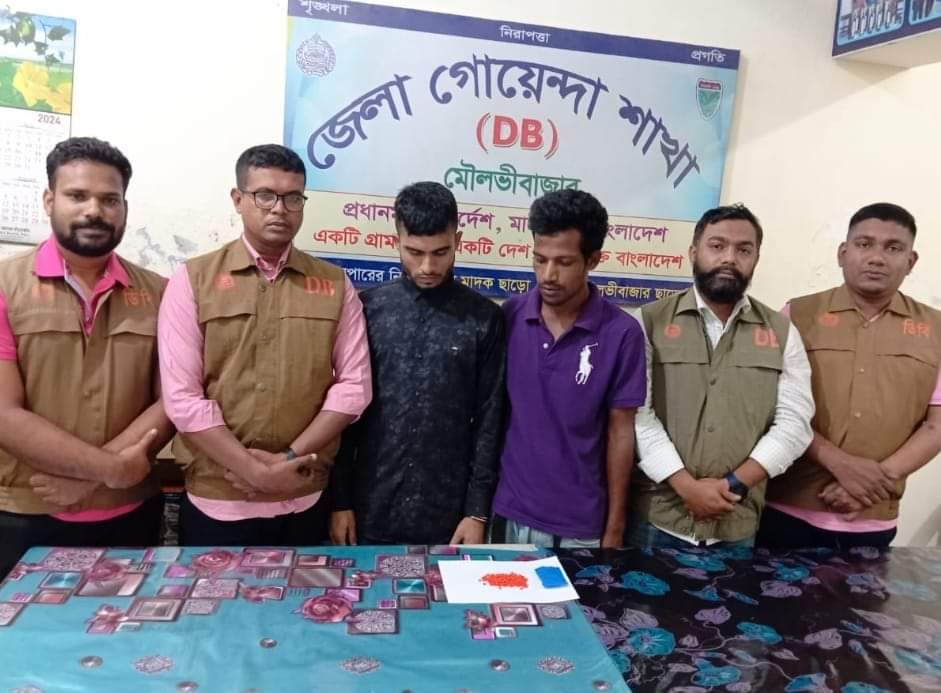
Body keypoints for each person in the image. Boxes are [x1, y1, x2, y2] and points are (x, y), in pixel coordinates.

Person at [158, 144, 371, 546]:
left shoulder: (334, 284)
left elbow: (354, 389)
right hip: (217, 500)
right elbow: (182, 399)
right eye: (265, 196)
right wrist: (253, 471)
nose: (280, 209)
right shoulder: (193, 280)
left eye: (293, 198)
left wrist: (287, 460)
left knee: (306, 590)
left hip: (304, 497)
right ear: (238, 199)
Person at [0, 137, 173, 578]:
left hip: (131, 512)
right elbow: (4, 413)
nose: (94, 210)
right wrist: (112, 468)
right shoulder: (5, 286)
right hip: (24, 511)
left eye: (109, 200)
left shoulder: (161, 293)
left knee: (127, 621)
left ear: (124, 208)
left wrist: (95, 480)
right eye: (77, 195)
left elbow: (172, 400)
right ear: (49, 200)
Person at [329, 182, 505, 546]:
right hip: (370, 505)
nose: (427, 266)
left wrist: (476, 512)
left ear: (458, 240)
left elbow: (490, 421)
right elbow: (344, 414)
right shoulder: (368, 310)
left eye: (441, 252)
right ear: (396, 240)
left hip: (449, 512)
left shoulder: (483, 319)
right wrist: (339, 501)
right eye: (415, 252)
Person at [629, 204, 814, 549]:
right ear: (693, 252)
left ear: (756, 258)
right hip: (658, 518)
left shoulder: (781, 331)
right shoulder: (649, 321)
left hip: (736, 521)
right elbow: (638, 415)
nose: (729, 258)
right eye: (717, 246)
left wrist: (733, 484)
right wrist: (686, 486)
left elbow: (795, 423)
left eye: (744, 250)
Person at [759, 203, 941, 549]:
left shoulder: (936, 329)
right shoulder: (796, 315)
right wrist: (839, 463)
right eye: (864, 244)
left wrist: (874, 482)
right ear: (843, 253)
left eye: (893, 248)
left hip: (874, 516)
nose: (877, 258)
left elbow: (936, 426)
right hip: (785, 510)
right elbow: (769, 405)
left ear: (911, 261)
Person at [490, 189, 646, 549]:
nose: (548, 275)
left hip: (580, 527)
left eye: (563, 262)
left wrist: (615, 527)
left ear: (593, 260)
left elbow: (621, 433)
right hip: (508, 514)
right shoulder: (509, 316)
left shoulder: (621, 333)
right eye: (539, 259)